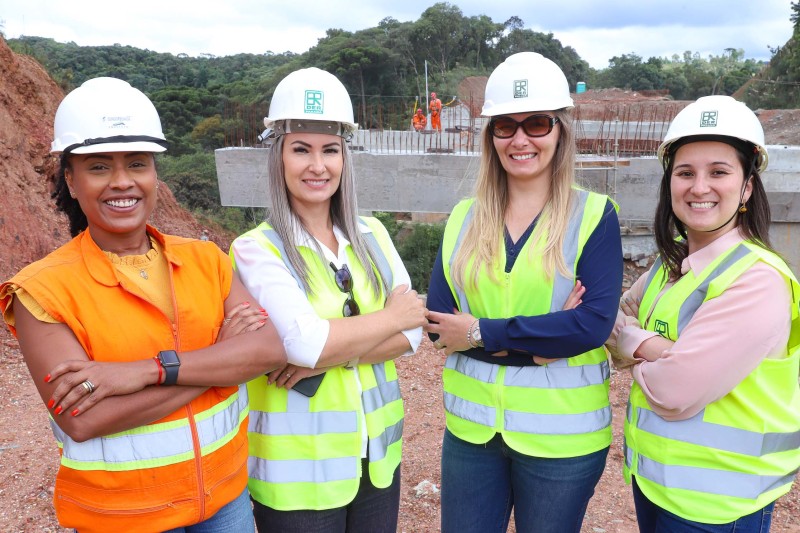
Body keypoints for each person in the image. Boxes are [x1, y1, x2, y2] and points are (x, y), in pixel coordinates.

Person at [0, 77, 287, 533]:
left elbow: (269, 350)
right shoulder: (43, 290)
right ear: (70, 181)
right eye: (98, 167)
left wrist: (145, 371)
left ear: (155, 174)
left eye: (137, 163)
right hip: (121, 517)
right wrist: (221, 363)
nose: (122, 182)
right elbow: (84, 418)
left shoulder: (205, 260)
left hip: (225, 498)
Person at [425, 52, 623, 533]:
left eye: (536, 123)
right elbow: (436, 325)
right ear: (490, 136)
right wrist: (540, 346)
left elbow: (590, 325)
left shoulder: (594, 216)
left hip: (562, 441)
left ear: (560, 130)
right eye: (505, 126)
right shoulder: (463, 218)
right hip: (472, 435)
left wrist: (475, 332)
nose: (520, 139)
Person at [230, 67, 427, 533]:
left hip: (376, 460)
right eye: (301, 150)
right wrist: (389, 318)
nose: (317, 166)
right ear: (278, 156)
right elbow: (306, 344)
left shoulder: (371, 234)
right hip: (298, 472)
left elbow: (414, 330)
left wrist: (322, 358)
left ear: (345, 158)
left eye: (330, 151)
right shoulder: (256, 249)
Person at [606, 95, 800, 531]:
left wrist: (633, 341)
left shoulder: (757, 279)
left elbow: (674, 390)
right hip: (657, 484)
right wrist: (665, 350)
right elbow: (614, 319)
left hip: (721, 506)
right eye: (685, 173)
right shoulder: (670, 264)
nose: (699, 187)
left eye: (719, 172)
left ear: (747, 186)